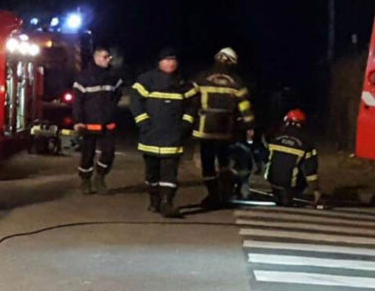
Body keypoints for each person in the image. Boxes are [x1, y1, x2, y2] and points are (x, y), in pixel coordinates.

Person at [129, 47, 198, 218]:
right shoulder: (146, 80)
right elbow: (135, 102)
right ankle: (154, 200)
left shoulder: (184, 83)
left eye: (173, 60)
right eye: (167, 60)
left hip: (173, 135)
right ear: (159, 62)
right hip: (150, 135)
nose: (171, 63)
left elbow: (193, 105)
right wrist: (143, 122)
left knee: (170, 171)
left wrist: (185, 124)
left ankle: (167, 202)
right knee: (152, 172)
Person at [192, 47, 255, 208]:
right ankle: (225, 193)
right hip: (225, 129)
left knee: (207, 164)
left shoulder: (201, 77)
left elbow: (191, 101)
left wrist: (187, 121)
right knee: (224, 163)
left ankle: (213, 195)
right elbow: (245, 106)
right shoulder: (237, 81)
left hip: (205, 128)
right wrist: (249, 125)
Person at [73, 47, 123, 194]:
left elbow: (117, 95)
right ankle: (85, 181)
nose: (108, 60)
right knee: (87, 155)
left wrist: (111, 110)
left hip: (107, 123)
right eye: (105, 57)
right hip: (89, 123)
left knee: (109, 153)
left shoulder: (113, 77)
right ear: (96, 58)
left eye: (109, 57)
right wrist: (78, 121)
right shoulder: (84, 77)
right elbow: (77, 102)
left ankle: (100, 177)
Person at [265, 109, 320, 207]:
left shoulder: (275, 136)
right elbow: (311, 168)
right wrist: (315, 189)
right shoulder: (305, 141)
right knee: (300, 170)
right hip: (289, 183)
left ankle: (277, 193)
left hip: (271, 178)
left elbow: (267, 157)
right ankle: (290, 195)